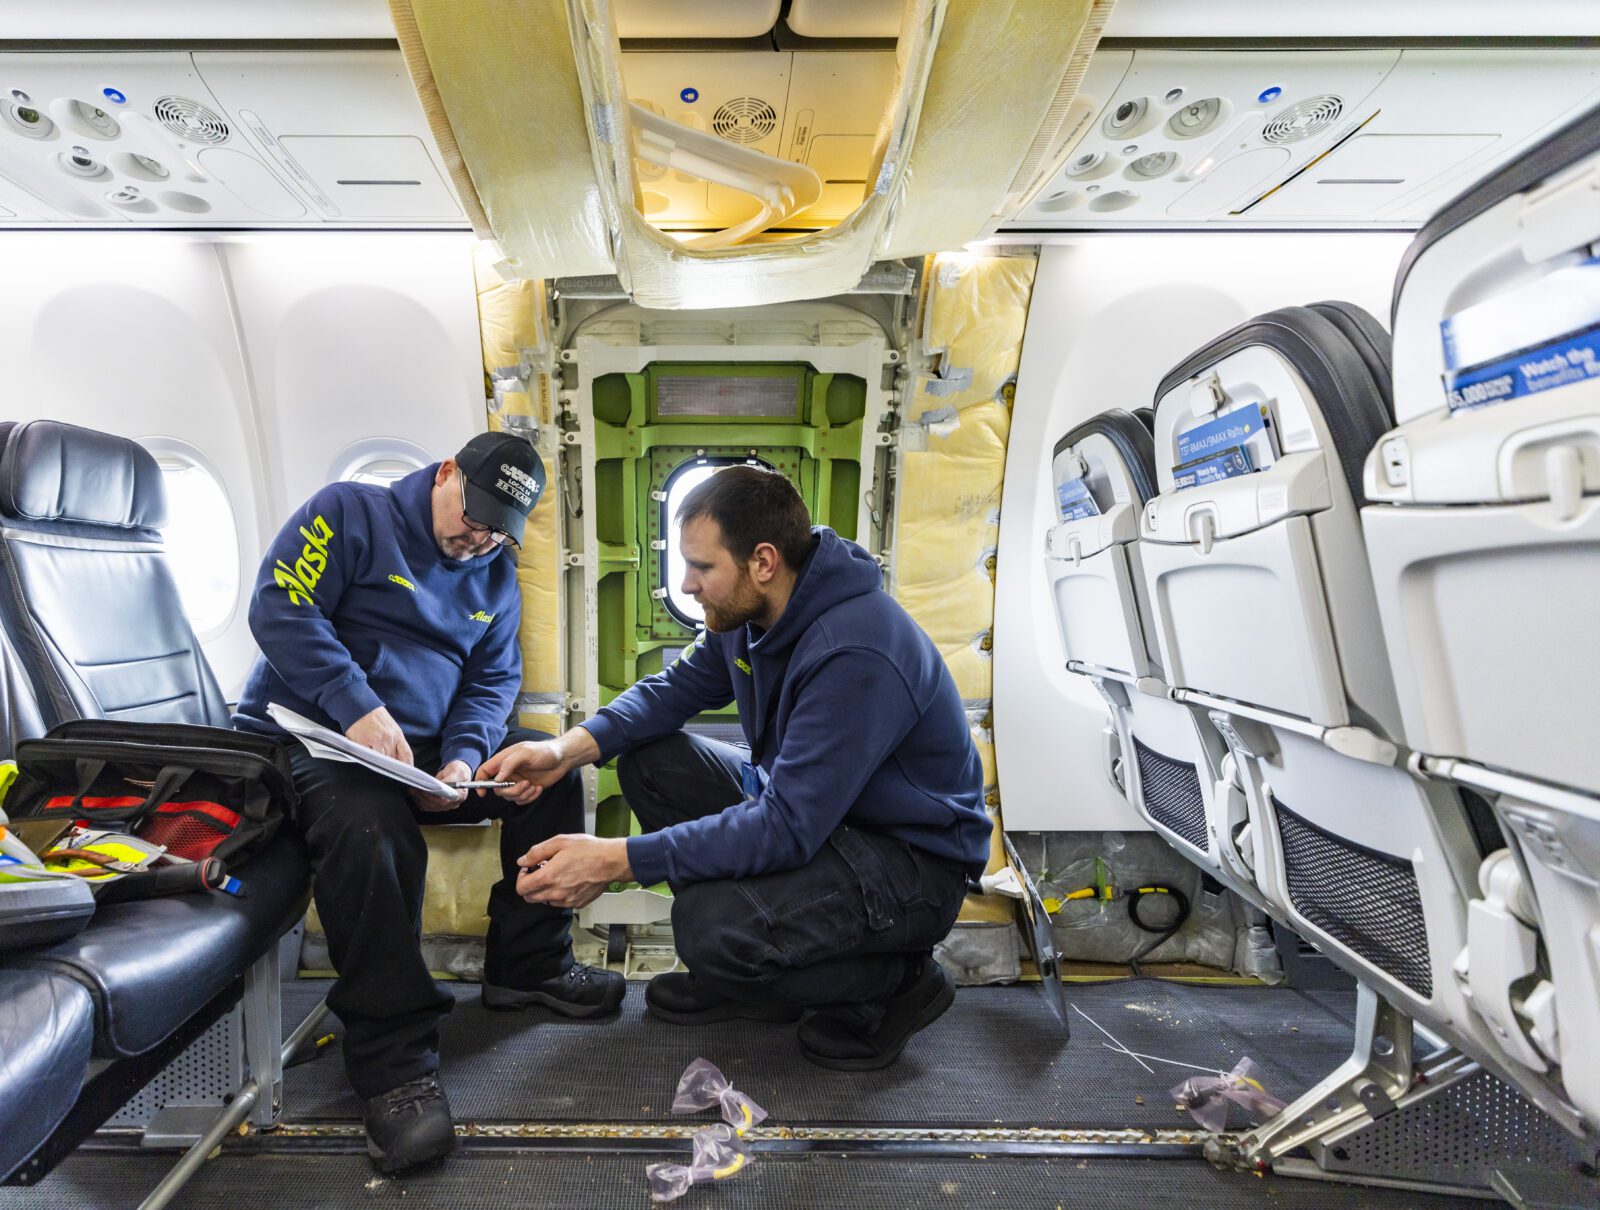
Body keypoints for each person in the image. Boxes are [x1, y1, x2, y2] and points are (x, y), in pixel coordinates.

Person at [479, 464, 989, 1071]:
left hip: (907, 860)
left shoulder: (856, 650)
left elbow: (784, 828)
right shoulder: (748, 617)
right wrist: (561, 751)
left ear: (763, 562)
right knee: (653, 759)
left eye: (702, 567)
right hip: (821, 820)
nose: (688, 585)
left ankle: (895, 985)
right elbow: (671, 690)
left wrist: (615, 861)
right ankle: (759, 977)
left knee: (710, 932)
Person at [234, 432, 623, 1174]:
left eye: (494, 533)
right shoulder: (349, 513)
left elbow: (490, 680)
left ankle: (527, 964)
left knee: (548, 771)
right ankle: (392, 1060)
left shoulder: (493, 576)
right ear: (446, 472)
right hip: (316, 740)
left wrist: (466, 758)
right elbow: (280, 605)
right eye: (471, 516)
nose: (476, 540)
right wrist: (355, 707)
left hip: (425, 757)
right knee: (371, 826)